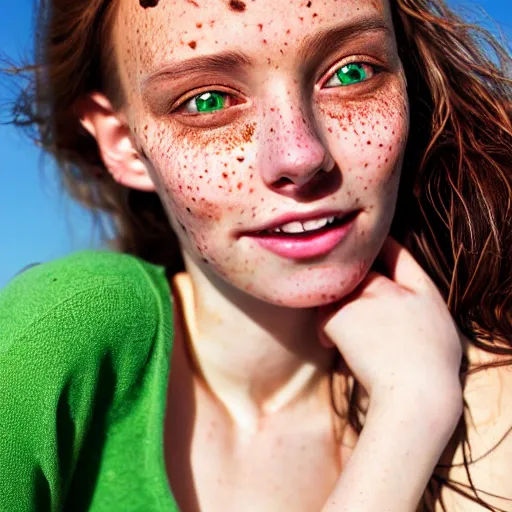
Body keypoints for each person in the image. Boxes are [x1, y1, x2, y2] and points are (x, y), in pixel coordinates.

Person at [1, 0, 511, 510]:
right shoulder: (62, 333)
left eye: (351, 72)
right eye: (206, 101)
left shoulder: (492, 410)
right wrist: (410, 417)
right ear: (125, 145)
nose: (300, 155)